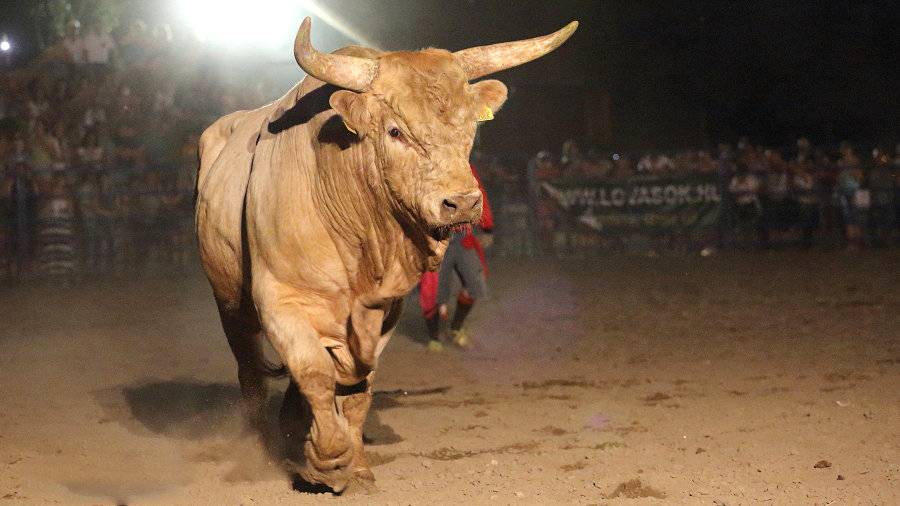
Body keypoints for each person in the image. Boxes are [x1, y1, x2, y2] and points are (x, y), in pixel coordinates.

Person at [420, 163, 494, 352]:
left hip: (462, 236)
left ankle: (455, 328)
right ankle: (434, 337)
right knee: (433, 291)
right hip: (435, 239)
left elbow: (478, 192)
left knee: (474, 285)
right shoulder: (422, 161)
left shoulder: (464, 165)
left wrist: (487, 227)